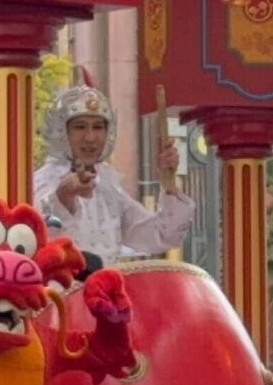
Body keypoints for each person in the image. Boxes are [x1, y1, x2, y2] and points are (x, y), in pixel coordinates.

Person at [30, 73, 194, 264]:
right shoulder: (42, 182)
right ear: (61, 131)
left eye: (98, 127)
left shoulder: (108, 185)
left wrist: (168, 186)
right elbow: (33, 234)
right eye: (80, 127)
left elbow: (158, 235)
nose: (90, 137)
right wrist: (63, 196)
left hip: (105, 291)